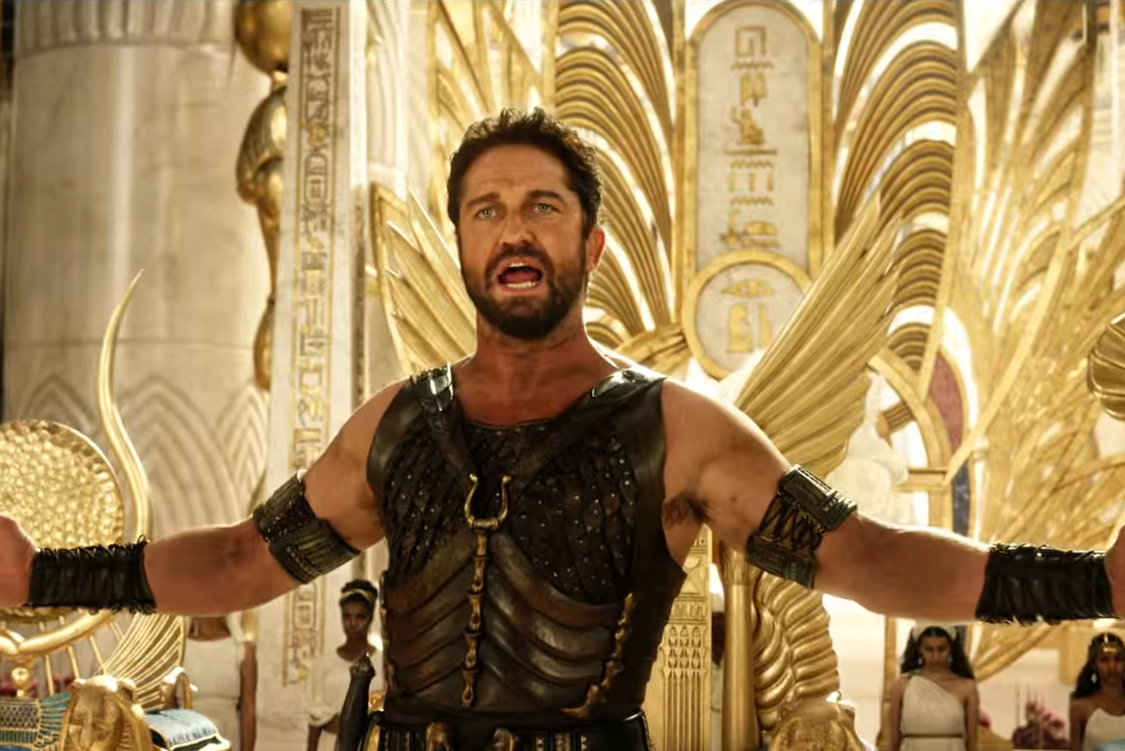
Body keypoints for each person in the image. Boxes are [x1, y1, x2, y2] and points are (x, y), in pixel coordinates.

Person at [2, 107, 1125, 751]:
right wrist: (43, 572)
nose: (514, 231)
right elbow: (243, 559)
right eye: (486, 210)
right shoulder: (396, 423)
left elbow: (867, 557)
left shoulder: (678, 429)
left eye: (542, 207)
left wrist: (1089, 583)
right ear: (461, 245)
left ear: (589, 246)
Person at [307, 580, 381, 751]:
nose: (353, 623)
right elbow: (314, 723)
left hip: (369, 743)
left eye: (360, 617)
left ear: (370, 618)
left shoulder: (381, 663)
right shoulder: (323, 663)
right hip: (330, 743)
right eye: (347, 616)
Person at [886, 624, 978, 751]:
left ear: (951, 649)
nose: (936, 656)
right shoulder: (902, 684)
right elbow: (894, 739)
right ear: (919, 650)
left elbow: (972, 742)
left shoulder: (966, 686)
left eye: (942, 649)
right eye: (929, 649)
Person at [180, 614, 257, 751]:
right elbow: (168, 707)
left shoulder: (242, 650)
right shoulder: (179, 649)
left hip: (227, 738)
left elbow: (248, 709)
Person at [1070, 633, 1125, 751]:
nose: (1112, 667)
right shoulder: (1080, 707)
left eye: (1118, 659)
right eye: (1104, 660)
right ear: (1094, 665)